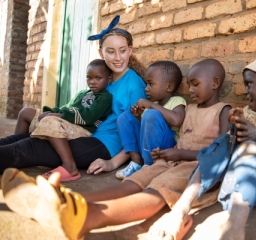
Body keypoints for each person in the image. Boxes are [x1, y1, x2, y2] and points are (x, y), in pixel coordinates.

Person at [1, 58, 232, 240]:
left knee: (155, 193)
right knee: (133, 183)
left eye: (195, 84)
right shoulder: (191, 108)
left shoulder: (224, 110)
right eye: (189, 85)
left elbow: (219, 151)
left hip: (195, 166)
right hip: (169, 160)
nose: (190, 90)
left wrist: (179, 154)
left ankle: (87, 217)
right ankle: (68, 200)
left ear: (215, 83)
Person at [147, 54, 256, 240]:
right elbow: (232, 148)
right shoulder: (250, 112)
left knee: (250, 147)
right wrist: (235, 129)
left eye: (249, 84)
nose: (244, 91)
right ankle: (180, 210)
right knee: (225, 141)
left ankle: (234, 229)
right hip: (238, 182)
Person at [0, 15, 146, 174]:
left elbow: (137, 131)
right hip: (83, 132)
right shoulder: (104, 78)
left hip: (104, 143)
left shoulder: (134, 86)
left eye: (122, 51)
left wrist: (112, 163)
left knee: (30, 147)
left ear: (130, 50)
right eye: (111, 52)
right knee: (23, 139)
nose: (118, 58)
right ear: (101, 53)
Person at [13, 59, 113, 182]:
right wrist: (50, 111)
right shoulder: (82, 93)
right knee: (25, 112)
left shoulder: (105, 97)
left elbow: (89, 117)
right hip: (67, 122)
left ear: (109, 79)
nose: (92, 82)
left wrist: (59, 115)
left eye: (98, 78)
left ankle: (70, 166)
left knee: (49, 121)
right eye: (89, 78)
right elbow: (66, 108)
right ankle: (16, 146)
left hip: (83, 128)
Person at [115, 61, 186, 179]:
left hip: (167, 146)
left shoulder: (177, 101)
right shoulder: (153, 105)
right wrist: (138, 116)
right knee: (124, 117)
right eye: (146, 84)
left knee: (152, 115)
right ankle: (136, 161)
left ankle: (149, 166)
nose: (146, 88)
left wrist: (150, 106)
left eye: (150, 84)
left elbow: (176, 120)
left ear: (169, 87)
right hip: (147, 147)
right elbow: (145, 131)